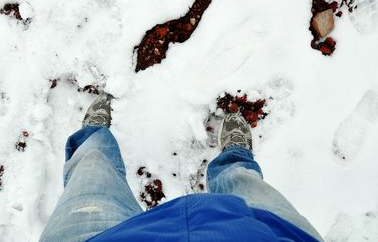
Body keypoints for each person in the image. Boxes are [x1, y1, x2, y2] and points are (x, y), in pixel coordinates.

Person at [40, 93, 323, 242]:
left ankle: (93, 132)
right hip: (269, 234)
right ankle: (235, 156)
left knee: (92, 167)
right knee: (244, 180)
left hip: (99, 237)